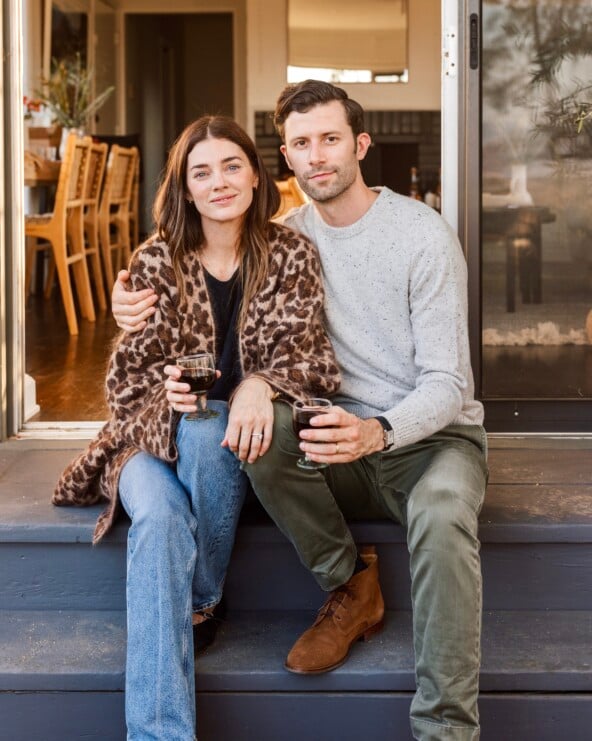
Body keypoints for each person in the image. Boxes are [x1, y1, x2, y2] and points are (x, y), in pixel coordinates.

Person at [112, 81, 488, 741]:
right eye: (302, 144)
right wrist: (135, 310)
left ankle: (445, 727)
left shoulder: (421, 236)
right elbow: (214, 320)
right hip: (332, 439)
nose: (317, 156)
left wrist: (381, 429)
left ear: (361, 144)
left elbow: (449, 382)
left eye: (331, 139)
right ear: (285, 158)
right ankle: (350, 586)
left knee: (443, 511)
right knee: (259, 430)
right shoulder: (281, 244)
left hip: (429, 440)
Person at [53, 114, 340, 741]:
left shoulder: (290, 255)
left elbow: (312, 361)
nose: (218, 183)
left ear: (256, 174)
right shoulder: (155, 261)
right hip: (145, 448)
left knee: (203, 449)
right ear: (185, 189)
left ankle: (199, 600)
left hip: (224, 446)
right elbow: (125, 386)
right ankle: (174, 689)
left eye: (231, 165)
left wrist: (261, 384)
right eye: (201, 172)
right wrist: (169, 398)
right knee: (167, 495)